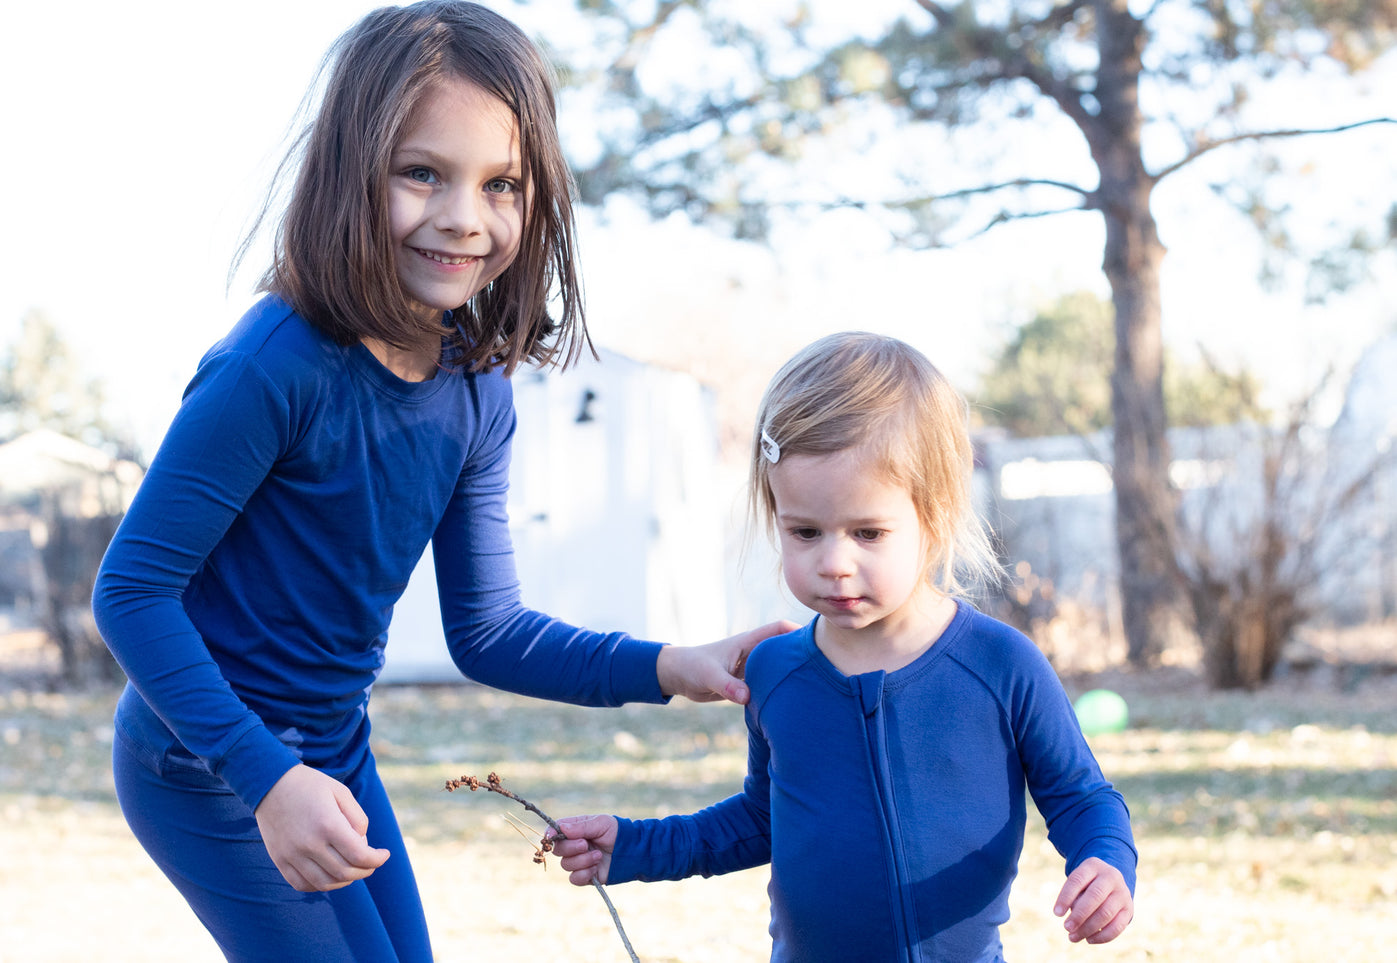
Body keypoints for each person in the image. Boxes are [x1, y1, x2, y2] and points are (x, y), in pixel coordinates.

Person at [91, 4, 785, 961]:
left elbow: (488, 632)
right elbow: (130, 592)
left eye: (501, 183)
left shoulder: (475, 391)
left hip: (330, 745)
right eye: (422, 172)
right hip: (204, 760)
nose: (464, 215)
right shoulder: (271, 368)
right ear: (348, 171)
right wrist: (265, 779)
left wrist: (673, 666)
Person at [551, 332, 1138, 961]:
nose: (834, 562)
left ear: (934, 515)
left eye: (868, 532)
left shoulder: (1000, 665)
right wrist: (637, 847)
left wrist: (1106, 863)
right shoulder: (776, 672)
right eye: (804, 532)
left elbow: (1081, 796)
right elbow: (762, 818)